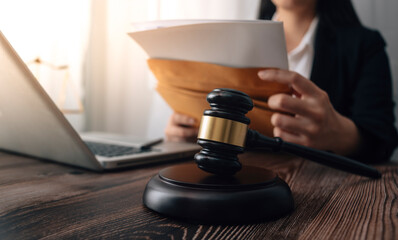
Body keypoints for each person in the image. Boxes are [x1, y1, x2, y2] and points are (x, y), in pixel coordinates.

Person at [165, 0, 398, 162]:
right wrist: (191, 129)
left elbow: (383, 138)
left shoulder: (365, 44)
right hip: (241, 177)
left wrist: (341, 135)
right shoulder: (232, 39)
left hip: (329, 191)